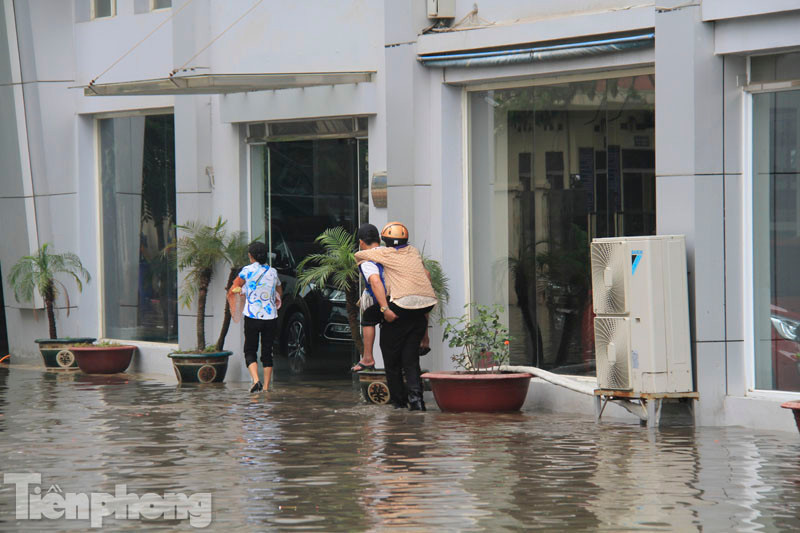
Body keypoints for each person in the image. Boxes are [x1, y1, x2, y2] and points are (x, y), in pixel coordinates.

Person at [354, 222, 436, 410]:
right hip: (421, 309)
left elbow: (374, 280)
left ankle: (399, 404)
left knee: (391, 360)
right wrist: (425, 333)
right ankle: (417, 402)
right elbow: (428, 276)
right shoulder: (412, 253)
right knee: (411, 360)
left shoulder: (382, 255)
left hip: (397, 310)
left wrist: (384, 309)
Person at [228, 241, 282, 393]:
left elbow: (235, 286)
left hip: (252, 316)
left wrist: (242, 290)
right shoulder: (273, 272)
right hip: (271, 317)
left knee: (250, 349)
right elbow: (279, 290)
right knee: (267, 351)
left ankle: (256, 381)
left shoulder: (246, 271)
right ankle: (265, 387)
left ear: (250, 256)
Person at [351, 224, 384, 372]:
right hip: (399, 295)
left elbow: (375, 282)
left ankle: (368, 357)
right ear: (379, 239)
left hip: (382, 299)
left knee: (368, 319)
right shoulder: (389, 252)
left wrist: (384, 306)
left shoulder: (365, 258)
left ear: (361, 242)